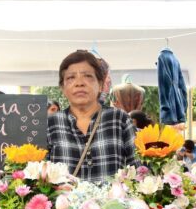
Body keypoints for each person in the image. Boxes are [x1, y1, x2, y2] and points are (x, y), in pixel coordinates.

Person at [48, 50, 137, 182]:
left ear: (100, 85)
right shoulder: (50, 124)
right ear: (62, 87)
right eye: (71, 77)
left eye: (88, 76)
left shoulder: (119, 119)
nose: (79, 83)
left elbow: (139, 170)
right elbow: (39, 177)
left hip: (112, 196)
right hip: (64, 196)